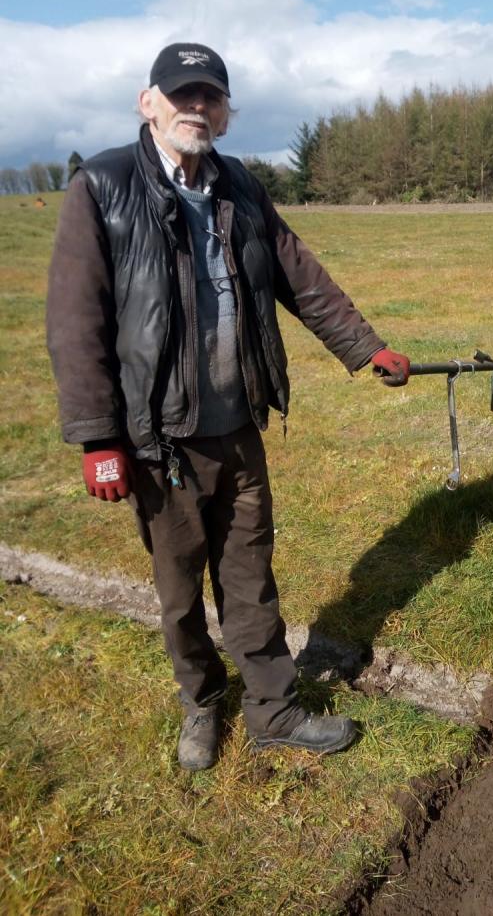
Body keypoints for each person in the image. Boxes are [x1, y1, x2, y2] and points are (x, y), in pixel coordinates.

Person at [46, 42, 410, 770]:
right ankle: (202, 705)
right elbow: (74, 318)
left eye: (210, 96)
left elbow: (297, 272)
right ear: (148, 102)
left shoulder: (238, 184)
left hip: (239, 426)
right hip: (161, 441)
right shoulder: (105, 185)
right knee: (180, 591)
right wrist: (97, 439)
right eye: (182, 94)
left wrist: (364, 347)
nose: (196, 107)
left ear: (225, 109)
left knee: (250, 576)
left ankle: (273, 708)